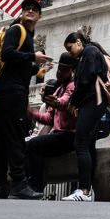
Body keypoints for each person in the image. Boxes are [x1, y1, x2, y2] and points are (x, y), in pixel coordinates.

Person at [0, 0, 49, 200]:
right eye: (27, 9)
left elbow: (16, 64)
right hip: (12, 93)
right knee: (15, 138)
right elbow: (6, 54)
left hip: (10, 91)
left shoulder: (26, 35)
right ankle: (19, 184)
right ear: (22, 13)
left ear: (39, 16)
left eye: (35, 9)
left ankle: (0, 186)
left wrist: (37, 68)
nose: (31, 11)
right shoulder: (17, 30)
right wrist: (33, 56)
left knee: (3, 140)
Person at [65, 31, 110, 202]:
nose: (70, 53)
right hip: (93, 102)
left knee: (81, 143)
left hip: (93, 101)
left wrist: (73, 101)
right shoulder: (89, 53)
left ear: (78, 42)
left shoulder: (89, 52)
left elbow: (84, 81)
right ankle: (87, 190)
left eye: (70, 48)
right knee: (89, 145)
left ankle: (84, 190)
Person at [27, 53, 78, 195]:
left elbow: (65, 101)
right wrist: (32, 113)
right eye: (59, 69)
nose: (60, 73)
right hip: (59, 135)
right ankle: (30, 183)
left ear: (72, 71)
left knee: (33, 145)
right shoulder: (59, 89)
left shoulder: (72, 87)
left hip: (68, 136)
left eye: (64, 70)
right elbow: (49, 118)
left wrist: (56, 102)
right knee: (29, 145)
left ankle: (36, 187)